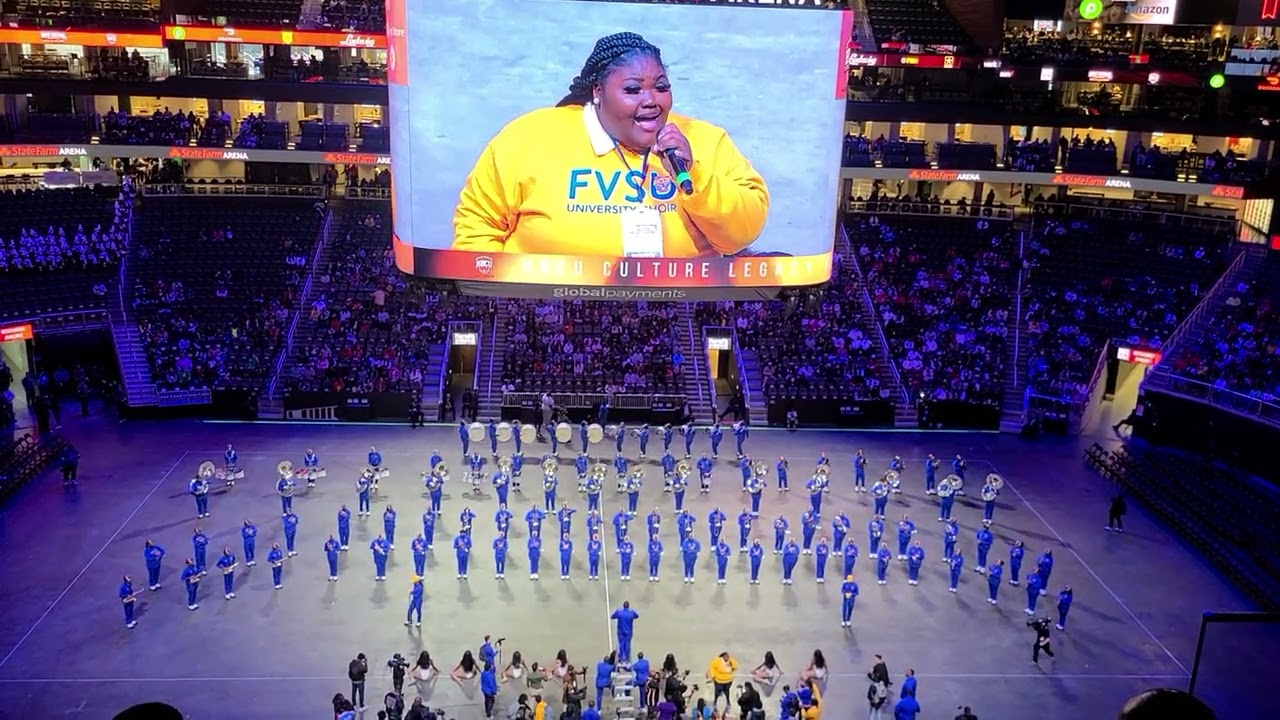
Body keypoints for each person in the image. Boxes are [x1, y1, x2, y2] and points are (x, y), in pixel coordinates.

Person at [452, 32, 769, 258]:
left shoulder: (704, 140)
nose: (651, 101)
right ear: (598, 91)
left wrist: (695, 176)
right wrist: (499, 294)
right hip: (546, 309)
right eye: (633, 89)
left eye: (661, 87)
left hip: (676, 305)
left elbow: (743, 231)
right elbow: (478, 223)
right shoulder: (530, 136)